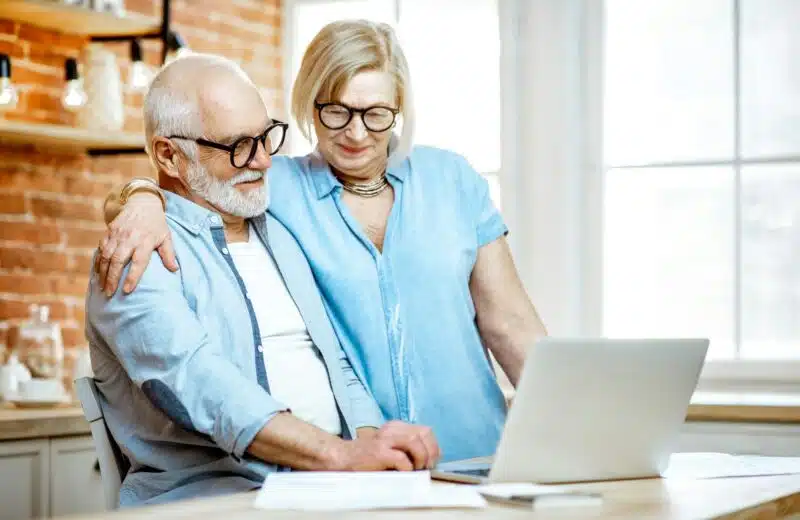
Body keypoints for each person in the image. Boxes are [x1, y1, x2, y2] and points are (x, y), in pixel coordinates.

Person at [96, 19, 547, 463]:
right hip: (372, 461)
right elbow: (191, 186)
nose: (356, 133)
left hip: (476, 449)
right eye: (337, 111)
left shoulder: (452, 181)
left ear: (400, 109)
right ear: (310, 103)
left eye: (376, 114)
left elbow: (510, 322)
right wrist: (140, 199)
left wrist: (574, 432)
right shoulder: (278, 187)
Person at [85, 53, 439, 507]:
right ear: (169, 154)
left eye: (266, 137)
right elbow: (201, 384)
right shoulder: (135, 254)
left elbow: (336, 362)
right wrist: (341, 456)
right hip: (220, 497)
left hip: (330, 485)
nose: (263, 161)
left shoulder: (281, 231)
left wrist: (372, 454)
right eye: (237, 146)